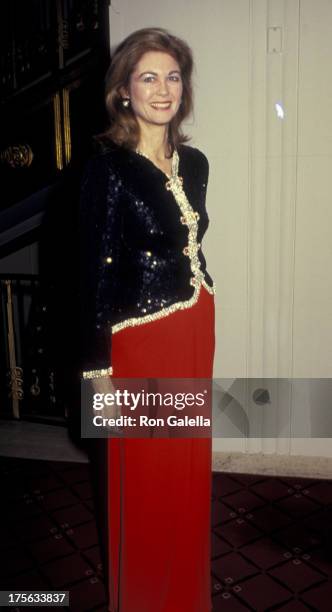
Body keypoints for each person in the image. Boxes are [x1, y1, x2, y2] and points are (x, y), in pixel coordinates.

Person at [79, 27, 215, 612]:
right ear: (124, 92)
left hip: (195, 326)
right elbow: (90, 273)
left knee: (187, 472)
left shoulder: (197, 162)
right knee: (147, 481)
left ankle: (183, 595)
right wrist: (94, 370)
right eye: (148, 77)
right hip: (138, 341)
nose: (163, 89)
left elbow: (189, 243)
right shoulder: (107, 169)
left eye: (173, 76)